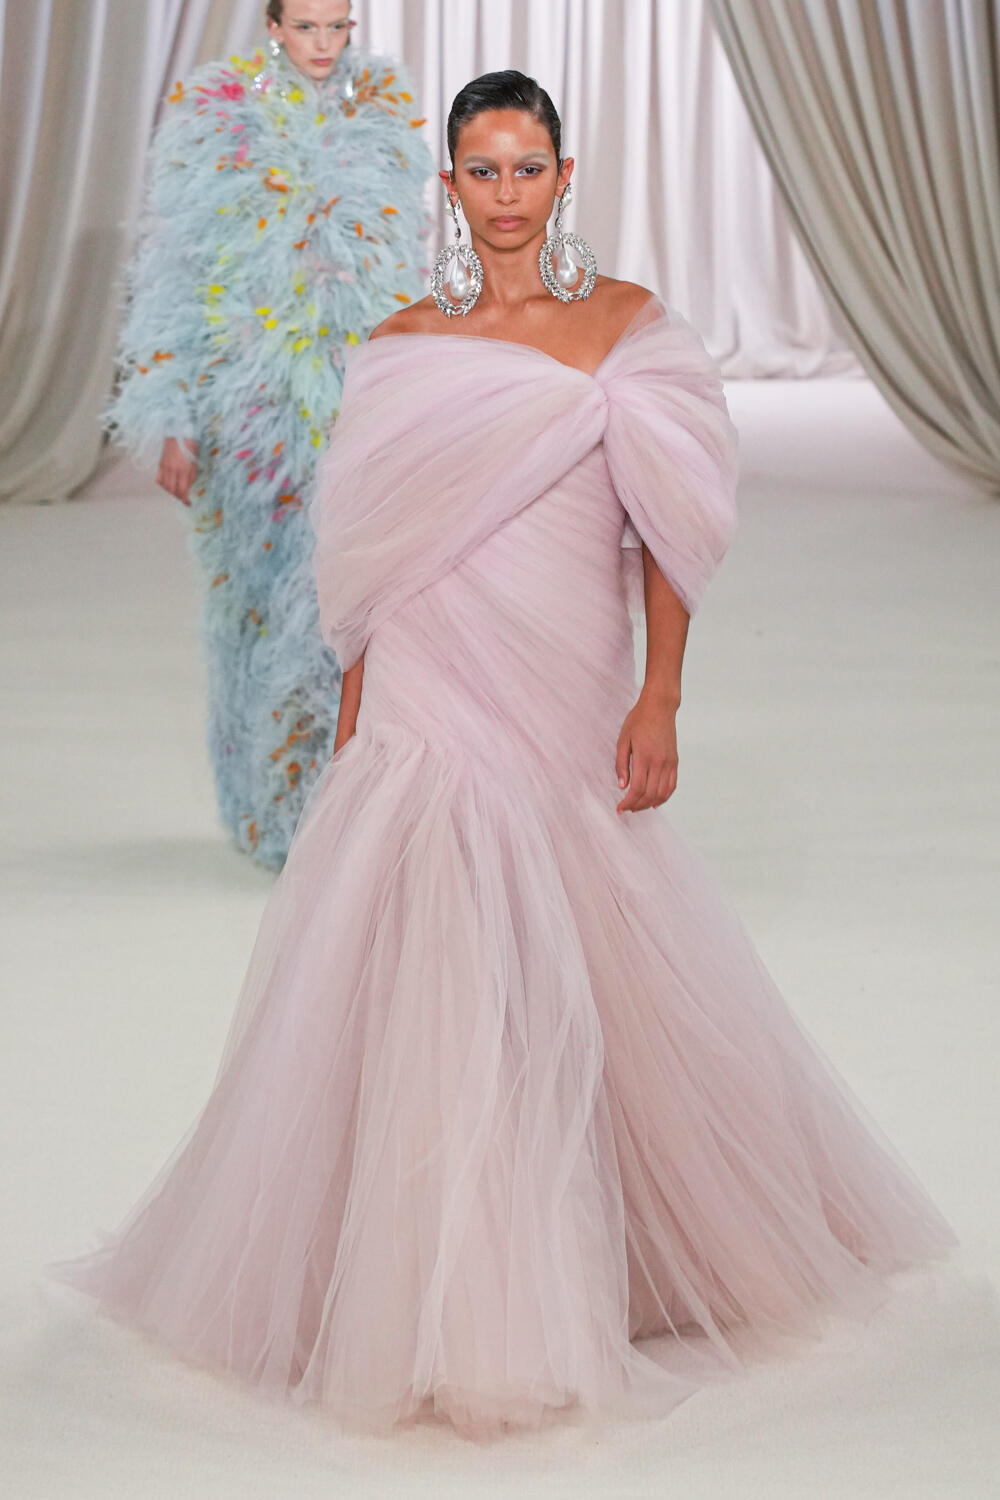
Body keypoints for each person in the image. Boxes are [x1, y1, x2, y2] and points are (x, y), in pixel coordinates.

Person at [49, 71, 957, 1441]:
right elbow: (364, 559)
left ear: (564, 175)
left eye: (528, 168)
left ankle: (593, 1246)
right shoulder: (402, 345)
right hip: (428, 671)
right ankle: (438, 1280)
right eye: (482, 171)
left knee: (577, 939)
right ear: (451, 186)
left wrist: (661, 698)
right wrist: (356, 711)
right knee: (432, 951)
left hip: (559, 671)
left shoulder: (628, 333)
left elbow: (668, 534)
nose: (507, 194)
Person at [107, 0, 433, 868]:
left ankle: (322, 810)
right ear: (273, 23)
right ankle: (258, 805)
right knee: (248, 610)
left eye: (338, 27)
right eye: (307, 27)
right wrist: (171, 416)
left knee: (341, 607)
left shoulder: (385, 111)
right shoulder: (216, 113)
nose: (323, 45)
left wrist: (420, 395)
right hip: (245, 414)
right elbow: (175, 269)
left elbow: (406, 269)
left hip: (356, 402)